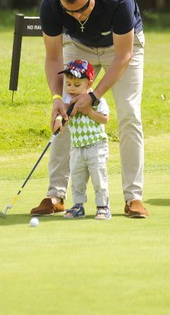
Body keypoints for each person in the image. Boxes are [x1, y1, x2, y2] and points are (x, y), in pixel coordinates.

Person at [31, 0, 148, 218]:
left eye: (82, 9)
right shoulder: (52, 3)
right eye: (70, 11)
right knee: (64, 113)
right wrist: (56, 99)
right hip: (79, 46)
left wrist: (93, 97)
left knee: (129, 114)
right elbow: (53, 57)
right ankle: (56, 195)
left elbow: (123, 56)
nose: (77, 15)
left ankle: (133, 197)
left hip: (122, 46)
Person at [54, 59, 112, 220]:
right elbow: (62, 116)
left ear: (89, 83)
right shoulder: (68, 102)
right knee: (77, 179)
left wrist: (88, 111)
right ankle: (78, 206)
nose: (71, 88)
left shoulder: (97, 100)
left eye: (77, 84)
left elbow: (104, 119)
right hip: (77, 148)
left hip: (96, 147)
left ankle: (103, 206)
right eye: (69, 84)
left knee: (98, 178)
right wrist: (58, 121)